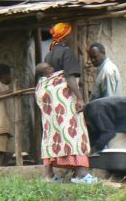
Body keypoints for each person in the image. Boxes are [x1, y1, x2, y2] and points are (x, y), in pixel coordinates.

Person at [41, 22, 96, 184]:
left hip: (51, 104)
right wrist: (79, 98)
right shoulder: (67, 52)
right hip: (64, 99)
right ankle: (81, 175)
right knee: (74, 131)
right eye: (70, 34)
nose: (72, 36)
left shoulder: (48, 55)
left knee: (53, 134)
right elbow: (70, 78)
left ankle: (49, 176)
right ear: (65, 36)